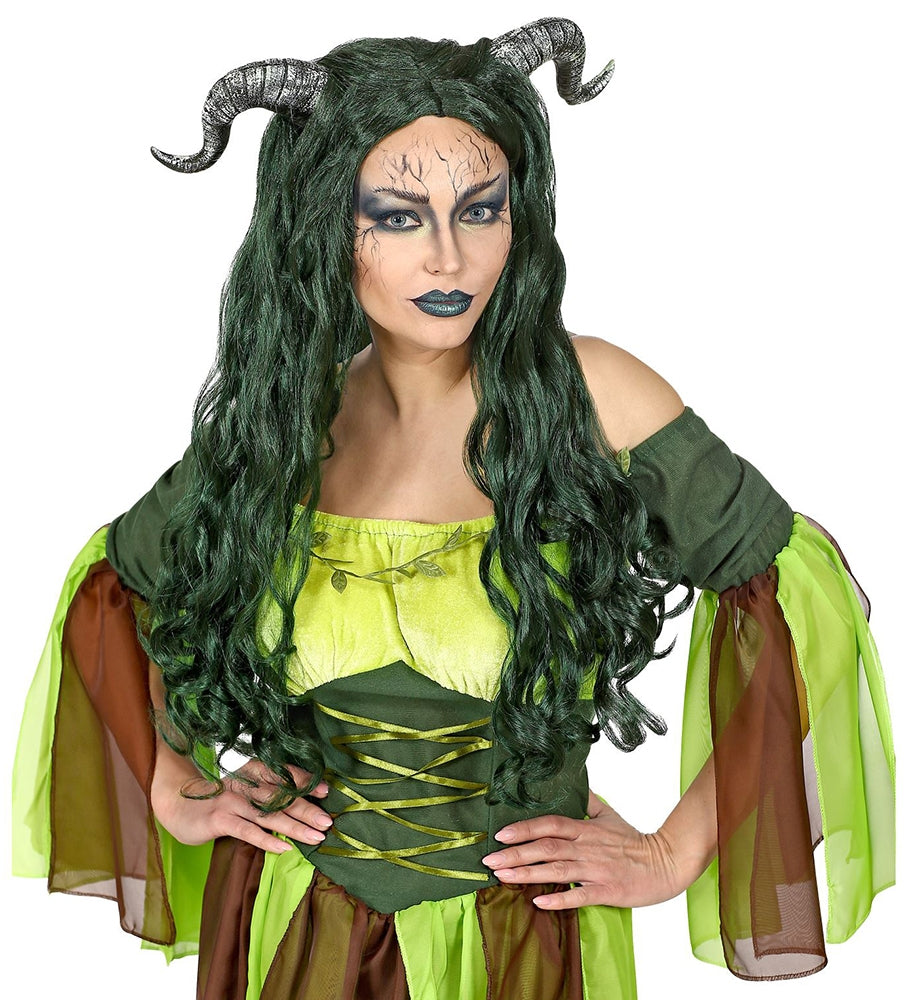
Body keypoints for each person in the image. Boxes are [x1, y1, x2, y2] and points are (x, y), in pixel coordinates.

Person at [11, 16, 894, 1000]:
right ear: (322, 222)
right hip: (292, 932)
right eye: (397, 217)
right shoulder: (282, 426)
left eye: (480, 210)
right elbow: (115, 593)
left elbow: (803, 596)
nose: (449, 259)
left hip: (518, 946)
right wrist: (177, 785)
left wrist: (670, 851)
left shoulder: (592, 399)